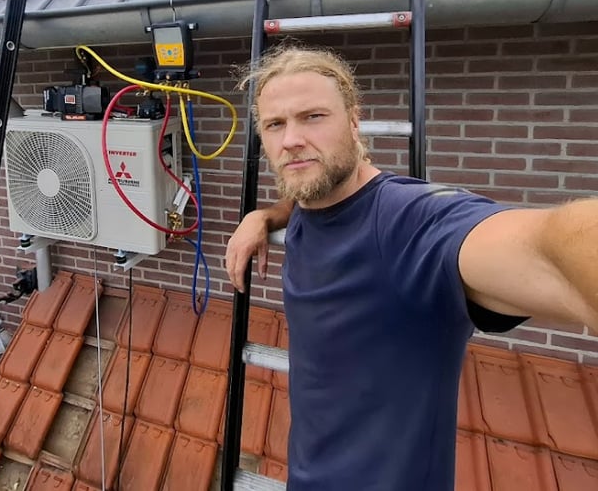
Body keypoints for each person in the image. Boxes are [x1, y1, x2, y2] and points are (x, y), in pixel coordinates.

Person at [225, 43, 598, 491]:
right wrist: (265, 216)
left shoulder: (407, 222)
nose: (291, 140)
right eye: (275, 124)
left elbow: (549, 249)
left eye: (313, 117)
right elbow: (306, 191)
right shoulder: (312, 202)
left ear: (354, 122)